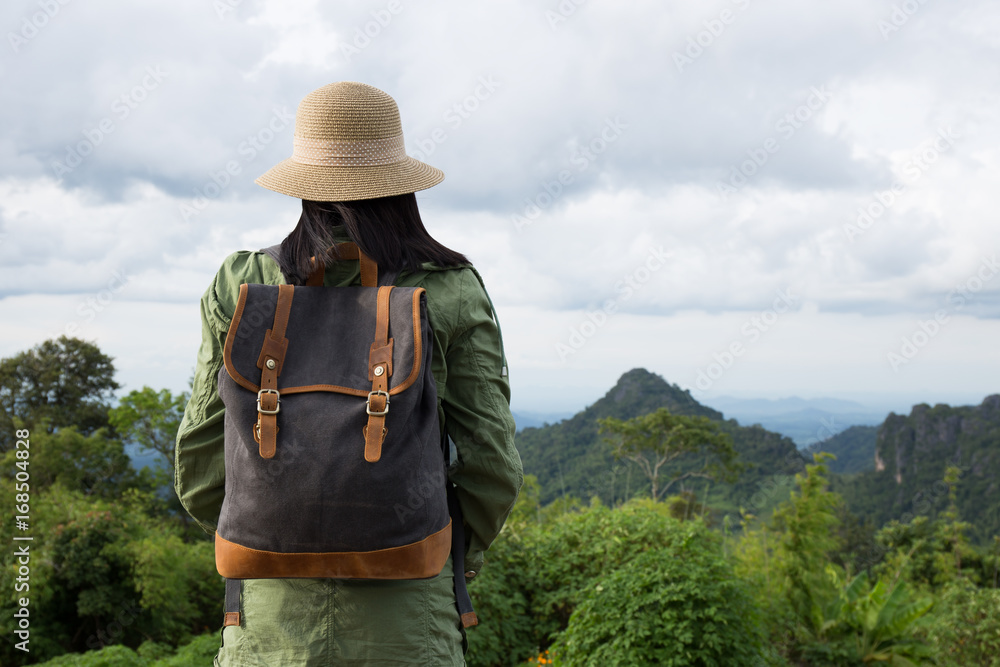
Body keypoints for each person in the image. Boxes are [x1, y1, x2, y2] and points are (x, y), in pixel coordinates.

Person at [174, 81, 523, 666]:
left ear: (303, 184)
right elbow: (492, 466)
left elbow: (199, 464)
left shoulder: (242, 284)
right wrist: (437, 552)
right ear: (401, 180)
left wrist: (274, 533)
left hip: (268, 632)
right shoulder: (449, 290)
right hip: (412, 625)